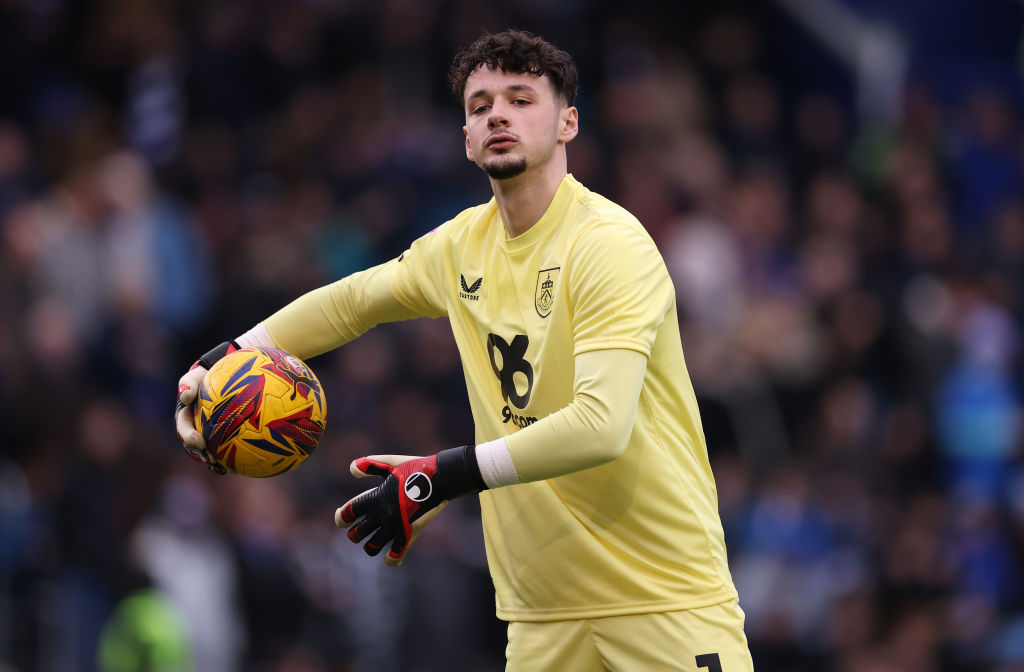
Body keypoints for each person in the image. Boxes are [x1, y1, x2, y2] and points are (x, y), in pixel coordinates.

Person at [175, 29, 754, 671]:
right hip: (541, 617)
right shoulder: (459, 246)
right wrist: (222, 358)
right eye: (481, 106)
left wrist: (441, 477)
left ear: (568, 123)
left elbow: (600, 426)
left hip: (665, 600)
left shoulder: (607, 245)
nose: (498, 115)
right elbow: (353, 302)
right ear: (468, 139)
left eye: (521, 99)